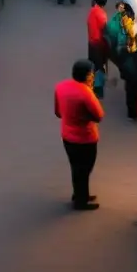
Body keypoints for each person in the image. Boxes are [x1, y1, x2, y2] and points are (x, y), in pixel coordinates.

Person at [54, 59, 105, 210]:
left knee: (76, 167)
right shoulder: (86, 93)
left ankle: (80, 193)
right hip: (85, 138)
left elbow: (58, 112)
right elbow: (99, 116)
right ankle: (81, 201)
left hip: (67, 136)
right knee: (84, 169)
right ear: (88, 76)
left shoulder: (61, 86)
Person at [87, 0, 109, 74]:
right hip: (98, 41)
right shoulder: (101, 13)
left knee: (92, 60)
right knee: (98, 64)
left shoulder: (92, 10)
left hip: (91, 39)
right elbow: (104, 27)